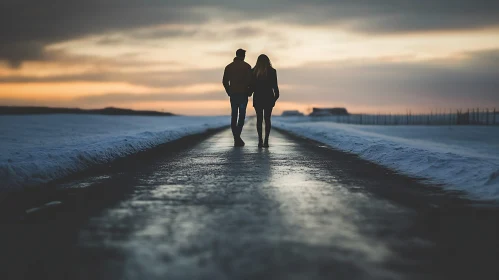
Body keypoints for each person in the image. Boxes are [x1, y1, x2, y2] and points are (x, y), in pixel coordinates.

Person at [222, 48, 252, 147]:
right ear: (243, 56)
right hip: (243, 94)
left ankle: (236, 138)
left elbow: (225, 81)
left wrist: (229, 92)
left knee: (234, 116)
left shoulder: (229, 67)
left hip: (233, 94)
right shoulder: (247, 66)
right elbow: (251, 81)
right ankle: (237, 137)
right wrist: (249, 91)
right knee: (241, 116)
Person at [251, 54, 279, 148]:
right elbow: (275, 87)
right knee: (267, 119)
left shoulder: (253, 71)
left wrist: (248, 93)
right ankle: (266, 140)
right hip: (268, 97)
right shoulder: (272, 71)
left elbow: (252, 86)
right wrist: (274, 99)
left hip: (258, 97)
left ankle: (260, 140)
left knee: (259, 119)